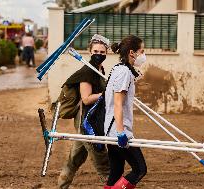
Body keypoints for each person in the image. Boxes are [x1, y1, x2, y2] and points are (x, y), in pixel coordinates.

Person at [58, 34, 110, 189]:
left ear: (107, 53)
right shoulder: (87, 72)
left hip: (92, 118)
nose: (99, 55)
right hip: (87, 122)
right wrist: (107, 94)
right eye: (96, 51)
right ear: (89, 52)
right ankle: (111, 184)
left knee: (75, 157)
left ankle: (62, 185)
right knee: (101, 159)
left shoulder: (99, 70)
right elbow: (86, 98)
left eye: (102, 52)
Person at [104, 35, 147, 189]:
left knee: (116, 171)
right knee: (140, 169)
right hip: (118, 131)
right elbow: (117, 103)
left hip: (111, 130)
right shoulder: (124, 73)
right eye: (141, 51)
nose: (143, 55)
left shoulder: (119, 68)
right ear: (131, 52)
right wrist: (121, 133)